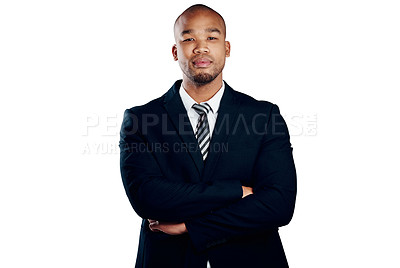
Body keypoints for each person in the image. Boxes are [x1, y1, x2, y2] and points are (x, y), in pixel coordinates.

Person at [119, 4, 297, 268]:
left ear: (226, 48)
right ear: (175, 51)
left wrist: (192, 226)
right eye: (189, 38)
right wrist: (236, 190)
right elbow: (147, 198)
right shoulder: (142, 120)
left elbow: (279, 205)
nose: (200, 47)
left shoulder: (263, 116)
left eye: (211, 38)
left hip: (252, 259)